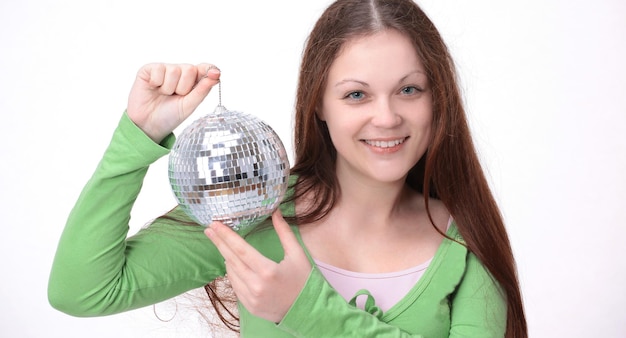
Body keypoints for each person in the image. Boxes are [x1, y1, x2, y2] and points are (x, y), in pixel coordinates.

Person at [48, 0, 528, 336]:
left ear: (437, 99)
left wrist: (305, 311)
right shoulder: (252, 211)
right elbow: (84, 290)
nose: (386, 117)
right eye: (356, 94)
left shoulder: (466, 239)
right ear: (319, 105)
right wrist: (139, 135)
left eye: (409, 89)